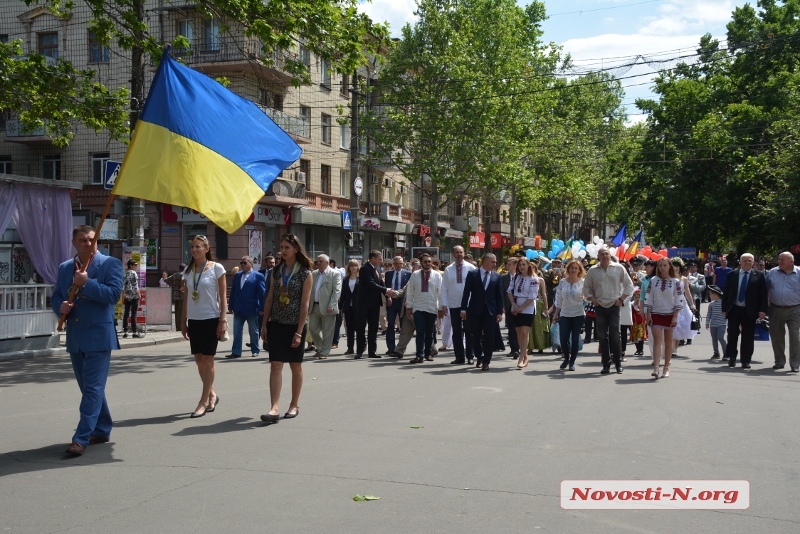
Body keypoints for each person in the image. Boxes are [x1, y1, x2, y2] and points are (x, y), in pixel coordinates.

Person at [52, 225, 123, 456]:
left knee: (92, 389)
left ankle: (80, 438)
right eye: (82, 240)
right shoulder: (65, 267)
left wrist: (87, 283)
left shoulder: (110, 263)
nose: (87, 243)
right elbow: (57, 296)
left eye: (91, 239)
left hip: (99, 336)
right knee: (90, 389)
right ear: (74, 242)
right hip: (75, 336)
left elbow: (114, 295)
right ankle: (101, 429)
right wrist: (60, 307)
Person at [260, 234, 313, 423]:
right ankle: (274, 407)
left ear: (296, 250)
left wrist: (299, 331)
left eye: (286, 247)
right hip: (276, 323)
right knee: (275, 364)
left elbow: (305, 305)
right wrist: (265, 324)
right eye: (281, 246)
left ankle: (294, 404)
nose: (282, 250)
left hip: (295, 326)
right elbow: (270, 298)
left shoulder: (305, 273)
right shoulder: (275, 271)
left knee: (295, 365)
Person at [181, 235, 227, 417]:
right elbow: (186, 298)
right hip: (194, 319)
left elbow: (223, 297)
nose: (194, 250)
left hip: (211, 318)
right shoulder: (188, 270)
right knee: (199, 360)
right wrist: (183, 322)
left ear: (207, 249)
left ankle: (203, 401)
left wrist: (223, 320)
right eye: (192, 247)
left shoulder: (216, 268)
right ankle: (212, 393)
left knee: (208, 360)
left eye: (198, 246)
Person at [583, 247, 634, 374]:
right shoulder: (593, 270)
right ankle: (606, 363)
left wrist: (621, 299)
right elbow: (585, 288)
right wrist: (592, 300)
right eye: (602, 254)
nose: (605, 256)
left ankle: (618, 362)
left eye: (607, 254)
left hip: (614, 306)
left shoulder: (619, 268)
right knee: (602, 336)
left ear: (610, 255)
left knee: (615, 335)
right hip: (600, 306)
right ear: (598, 257)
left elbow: (629, 285)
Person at [721, 253, 768, 369]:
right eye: (745, 260)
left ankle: (745, 360)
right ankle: (732, 357)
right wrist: (724, 309)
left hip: (750, 310)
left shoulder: (759, 276)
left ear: (753, 262)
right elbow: (726, 293)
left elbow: (763, 295)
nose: (747, 262)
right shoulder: (732, 274)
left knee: (747, 336)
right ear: (740, 262)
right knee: (732, 333)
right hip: (734, 309)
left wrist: (763, 310)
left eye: (749, 260)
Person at [460, 253, 504, 371]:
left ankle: (486, 361)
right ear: (485, 262)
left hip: (491, 311)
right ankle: (479, 356)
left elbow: (499, 296)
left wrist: (499, 312)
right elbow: (466, 292)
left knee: (489, 336)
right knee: (476, 336)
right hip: (475, 310)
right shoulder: (473, 274)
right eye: (493, 262)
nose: (495, 264)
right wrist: (463, 309)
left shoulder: (497, 276)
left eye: (495, 262)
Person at [644, 257, 684, 379]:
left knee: (668, 342)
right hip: (656, 312)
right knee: (657, 341)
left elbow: (679, 299)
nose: (662, 268)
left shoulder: (675, 282)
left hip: (670, 314)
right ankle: (656, 367)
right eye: (660, 265)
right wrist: (648, 314)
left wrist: (675, 316)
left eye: (665, 265)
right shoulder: (653, 280)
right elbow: (649, 297)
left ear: (669, 266)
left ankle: (666, 367)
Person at [440, 245, 477, 364]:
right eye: (457, 252)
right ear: (453, 254)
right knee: (456, 332)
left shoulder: (471, 268)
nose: (459, 254)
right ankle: (459, 357)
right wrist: (444, 304)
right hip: (454, 304)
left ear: (464, 253)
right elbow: (444, 288)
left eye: (461, 252)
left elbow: (476, 288)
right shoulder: (448, 269)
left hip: (468, 305)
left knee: (469, 331)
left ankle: (470, 356)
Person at [357, 250, 396, 359]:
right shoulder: (365, 269)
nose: (381, 261)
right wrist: (386, 289)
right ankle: (360, 350)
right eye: (379, 259)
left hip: (374, 304)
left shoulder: (376, 269)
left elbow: (381, 283)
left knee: (373, 328)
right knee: (361, 327)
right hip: (363, 304)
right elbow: (371, 284)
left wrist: (388, 295)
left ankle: (372, 351)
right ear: (373, 258)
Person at [405, 253, 443, 363]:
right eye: (425, 261)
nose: (428, 263)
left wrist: (440, 308)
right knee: (420, 332)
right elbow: (410, 292)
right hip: (418, 308)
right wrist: (409, 306)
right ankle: (419, 355)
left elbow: (440, 293)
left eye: (429, 261)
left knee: (430, 333)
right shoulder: (415, 275)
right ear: (421, 263)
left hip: (431, 307)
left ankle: (428, 354)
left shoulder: (437, 275)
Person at [766, 251, 800, 372]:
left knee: (795, 337)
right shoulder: (772, 273)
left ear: (791, 262)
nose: (779, 262)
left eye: (782, 260)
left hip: (795, 309)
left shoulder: (799, 272)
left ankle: (795, 363)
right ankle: (779, 361)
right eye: (779, 259)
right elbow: (765, 290)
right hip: (775, 308)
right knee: (776, 336)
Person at [227, 256, 266, 358]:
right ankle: (236, 351)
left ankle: (255, 350)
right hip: (238, 308)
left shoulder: (258, 276)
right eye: (241, 263)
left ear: (250, 264)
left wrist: (263, 308)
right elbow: (233, 292)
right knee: (237, 331)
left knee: (253, 331)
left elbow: (262, 294)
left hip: (252, 308)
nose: (242, 265)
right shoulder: (237, 275)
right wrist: (230, 306)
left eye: (244, 263)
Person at [553, 259, 586, 371]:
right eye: (572, 268)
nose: (573, 270)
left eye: (576, 268)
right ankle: (566, 358)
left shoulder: (582, 282)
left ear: (579, 270)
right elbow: (558, 299)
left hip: (578, 313)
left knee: (575, 338)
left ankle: (572, 362)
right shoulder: (563, 282)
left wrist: (585, 298)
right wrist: (556, 314)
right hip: (565, 313)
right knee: (563, 338)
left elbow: (588, 297)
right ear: (568, 269)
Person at [307, 254, 342, 359]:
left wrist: (332, 304)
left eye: (320, 261)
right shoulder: (313, 274)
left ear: (327, 263)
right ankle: (320, 347)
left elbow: (336, 291)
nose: (318, 263)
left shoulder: (335, 274)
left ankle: (324, 352)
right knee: (312, 329)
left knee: (328, 332)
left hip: (328, 307)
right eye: (317, 261)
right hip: (314, 306)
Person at [507, 257, 538, 369]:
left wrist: (521, 307)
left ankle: (521, 357)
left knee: (525, 331)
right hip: (516, 306)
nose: (522, 267)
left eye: (524, 264)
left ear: (528, 265)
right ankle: (525, 355)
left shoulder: (533, 279)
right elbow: (509, 291)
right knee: (519, 332)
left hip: (528, 308)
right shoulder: (516, 277)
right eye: (520, 265)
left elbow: (532, 296)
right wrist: (514, 305)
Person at [385, 256, 411, 355]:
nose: (398, 265)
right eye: (396, 264)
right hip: (391, 302)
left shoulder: (408, 274)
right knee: (390, 325)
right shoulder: (388, 274)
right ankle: (391, 348)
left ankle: (400, 348)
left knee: (403, 326)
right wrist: (388, 297)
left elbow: (409, 289)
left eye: (400, 264)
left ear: (403, 264)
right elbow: (386, 287)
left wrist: (408, 301)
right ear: (393, 264)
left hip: (402, 302)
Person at [527, 262, 550, 354]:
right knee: (530, 326)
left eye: (533, 267)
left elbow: (544, 294)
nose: (531, 269)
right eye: (530, 267)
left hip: (539, 304)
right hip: (528, 303)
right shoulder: (525, 279)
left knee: (539, 325)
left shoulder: (540, 280)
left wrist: (546, 307)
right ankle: (530, 347)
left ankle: (541, 346)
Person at [339, 260, 361, 355]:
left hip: (359, 307)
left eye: (355, 266)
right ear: (349, 268)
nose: (354, 268)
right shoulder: (346, 279)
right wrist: (340, 307)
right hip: (348, 307)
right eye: (352, 266)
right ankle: (350, 348)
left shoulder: (361, 278)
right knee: (349, 329)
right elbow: (343, 294)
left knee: (359, 328)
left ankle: (360, 348)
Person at [500, 257, 519, 359]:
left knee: (520, 329)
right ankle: (514, 349)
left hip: (520, 307)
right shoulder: (504, 277)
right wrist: (502, 306)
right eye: (507, 264)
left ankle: (522, 348)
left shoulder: (521, 276)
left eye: (509, 264)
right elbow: (502, 293)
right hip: (508, 306)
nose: (507, 266)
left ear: (515, 265)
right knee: (511, 329)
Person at [122, 259, 143, 339]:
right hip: (134, 296)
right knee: (133, 314)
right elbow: (135, 285)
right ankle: (134, 332)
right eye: (135, 265)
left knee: (126, 314)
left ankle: (125, 332)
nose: (136, 266)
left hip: (127, 295)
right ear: (131, 265)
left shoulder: (125, 273)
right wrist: (139, 294)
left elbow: (124, 284)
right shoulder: (134, 273)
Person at [706, 285, 727, 359]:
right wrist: (707, 322)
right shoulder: (711, 304)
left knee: (720, 337)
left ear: (714, 294)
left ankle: (726, 353)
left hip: (722, 323)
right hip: (713, 324)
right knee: (714, 339)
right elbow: (709, 314)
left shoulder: (724, 303)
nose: (709, 295)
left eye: (710, 294)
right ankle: (716, 353)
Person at [163, 264, 187, 332]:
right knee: (182, 312)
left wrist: (173, 285)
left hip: (175, 296)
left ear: (179, 268)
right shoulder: (184, 275)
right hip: (182, 296)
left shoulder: (175, 275)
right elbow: (184, 283)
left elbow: (167, 281)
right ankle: (181, 327)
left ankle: (178, 327)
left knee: (177, 312)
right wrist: (183, 286)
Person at [329, 258, 346, 349]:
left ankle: (335, 341)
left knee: (337, 322)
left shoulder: (339, 273)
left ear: (332, 264)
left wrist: (339, 297)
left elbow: (342, 286)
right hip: (326, 300)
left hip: (338, 300)